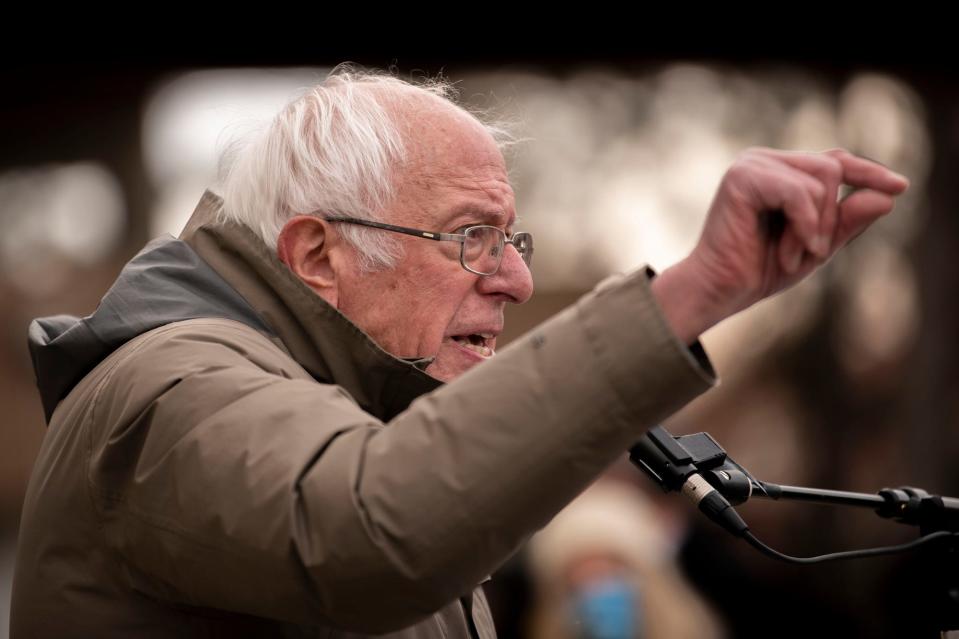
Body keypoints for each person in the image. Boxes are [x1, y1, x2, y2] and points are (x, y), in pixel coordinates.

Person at [11, 66, 909, 638]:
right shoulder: (174, 382)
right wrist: (692, 290)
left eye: (513, 240)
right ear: (318, 254)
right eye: (469, 236)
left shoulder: (343, 402)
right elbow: (371, 531)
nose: (514, 282)